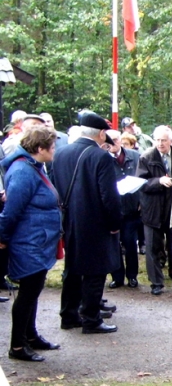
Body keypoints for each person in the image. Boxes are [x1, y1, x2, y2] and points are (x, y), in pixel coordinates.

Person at [51, 111, 122, 334]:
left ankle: (68, 315)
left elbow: (54, 186)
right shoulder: (100, 157)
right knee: (95, 272)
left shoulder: (60, 153)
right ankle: (91, 319)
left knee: (72, 269)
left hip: (69, 220)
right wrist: (114, 223)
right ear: (101, 134)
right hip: (95, 223)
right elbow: (109, 196)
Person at [0, 126, 63, 361]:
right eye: (52, 146)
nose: (55, 150)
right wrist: (2, 238)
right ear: (39, 148)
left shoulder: (33, 167)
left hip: (38, 240)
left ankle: (30, 335)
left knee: (33, 291)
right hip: (28, 242)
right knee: (27, 293)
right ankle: (17, 345)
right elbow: (11, 212)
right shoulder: (23, 171)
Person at [137, 125, 172, 295]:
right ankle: (156, 282)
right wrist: (158, 181)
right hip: (153, 210)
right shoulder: (146, 157)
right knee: (153, 248)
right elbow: (140, 183)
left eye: (163, 140)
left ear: (171, 141)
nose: (160, 143)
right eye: (157, 140)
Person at [106, 129, 142, 289]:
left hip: (132, 209)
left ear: (120, 140)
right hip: (113, 210)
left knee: (130, 244)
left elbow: (143, 177)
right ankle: (117, 277)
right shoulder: (104, 158)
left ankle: (132, 276)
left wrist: (141, 201)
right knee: (114, 245)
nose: (112, 143)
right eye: (109, 140)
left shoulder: (134, 156)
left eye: (115, 139)